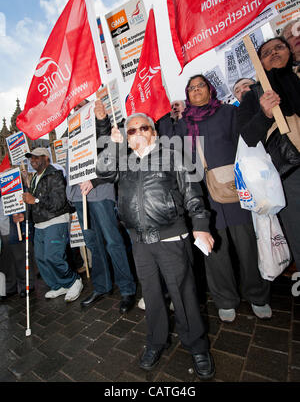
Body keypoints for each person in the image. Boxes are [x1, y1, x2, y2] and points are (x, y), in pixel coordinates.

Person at [95, 110, 215, 380]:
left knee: (183, 294)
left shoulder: (172, 154)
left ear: (154, 132)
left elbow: (191, 190)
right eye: (132, 131)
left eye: (143, 128)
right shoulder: (122, 160)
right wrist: (111, 141)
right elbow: (102, 171)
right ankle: (155, 342)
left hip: (171, 237)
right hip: (139, 240)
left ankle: (197, 346)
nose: (138, 133)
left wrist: (201, 225)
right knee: (150, 296)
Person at [158, 74, 271, 323]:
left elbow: (246, 144)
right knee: (214, 251)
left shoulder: (228, 112)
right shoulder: (184, 121)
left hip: (235, 189)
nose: (196, 90)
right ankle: (225, 300)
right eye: (191, 88)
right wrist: (170, 116)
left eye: (200, 86)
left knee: (248, 246)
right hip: (204, 196)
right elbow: (168, 145)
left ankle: (257, 295)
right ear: (187, 94)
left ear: (210, 90)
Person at [66, 100, 136, 313]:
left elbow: (111, 154)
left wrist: (101, 119)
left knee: (113, 242)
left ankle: (127, 289)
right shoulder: (72, 134)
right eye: (75, 107)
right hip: (79, 197)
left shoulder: (100, 125)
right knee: (93, 244)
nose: (78, 110)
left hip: (99, 194)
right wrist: (71, 194)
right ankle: (102, 286)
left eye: (82, 106)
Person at [237, 37, 300, 271]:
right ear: (259, 63)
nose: (273, 53)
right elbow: (247, 138)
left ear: (290, 52)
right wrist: (264, 114)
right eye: (266, 52)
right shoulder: (254, 95)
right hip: (291, 175)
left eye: (279, 48)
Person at [22, 147, 83, 302]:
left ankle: (73, 281)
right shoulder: (35, 178)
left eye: (36, 157)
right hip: (39, 224)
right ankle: (58, 285)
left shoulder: (54, 174)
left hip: (55, 221)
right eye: (31, 158)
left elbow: (58, 202)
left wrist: (34, 200)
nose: (32, 160)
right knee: (41, 258)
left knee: (53, 256)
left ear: (46, 158)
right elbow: (32, 202)